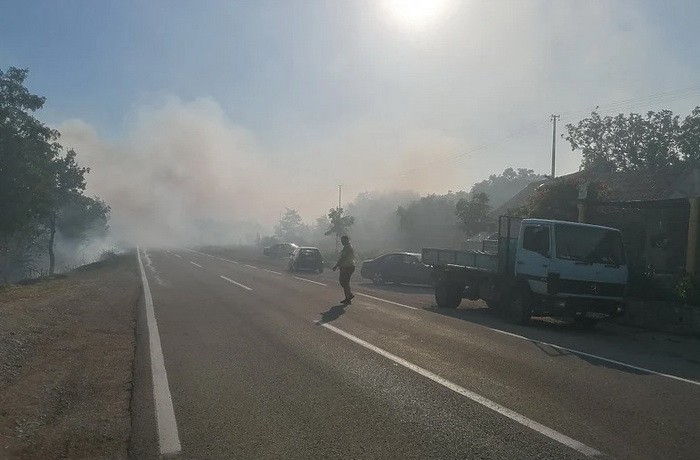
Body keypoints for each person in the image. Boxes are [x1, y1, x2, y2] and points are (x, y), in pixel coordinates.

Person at [332, 235, 355, 304]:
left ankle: (348, 297)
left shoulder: (348, 248)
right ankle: (349, 295)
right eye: (341, 241)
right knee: (344, 282)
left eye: (343, 241)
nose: (342, 242)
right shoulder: (347, 247)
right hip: (347, 266)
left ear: (347, 240)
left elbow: (343, 258)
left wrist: (336, 266)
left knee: (344, 282)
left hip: (347, 267)